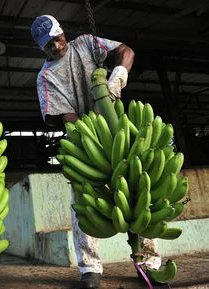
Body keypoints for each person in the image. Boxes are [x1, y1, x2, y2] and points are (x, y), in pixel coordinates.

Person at [31, 15, 161, 289]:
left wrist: (118, 76)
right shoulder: (46, 77)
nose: (56, 46)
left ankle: (149, 262)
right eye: (48, 45)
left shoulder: (86, 44)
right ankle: (90, 268)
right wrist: (96, 124)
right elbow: (68, 120)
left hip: (119, 128)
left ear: (62, 32)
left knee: (139, 189)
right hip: (84, 139)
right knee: (84, 200)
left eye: (57, 37)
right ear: (40, 48)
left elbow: (126, 51)